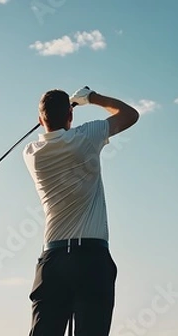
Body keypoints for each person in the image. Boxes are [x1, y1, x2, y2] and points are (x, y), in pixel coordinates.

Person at [23, 86, 139, 335]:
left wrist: (55, 117)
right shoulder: (88, 137)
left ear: (40, 119)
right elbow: (129, 114)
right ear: (70, 116)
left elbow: (54, 130)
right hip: (91, 259)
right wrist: (90, 98)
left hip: (53, 262)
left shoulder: (31, 153)